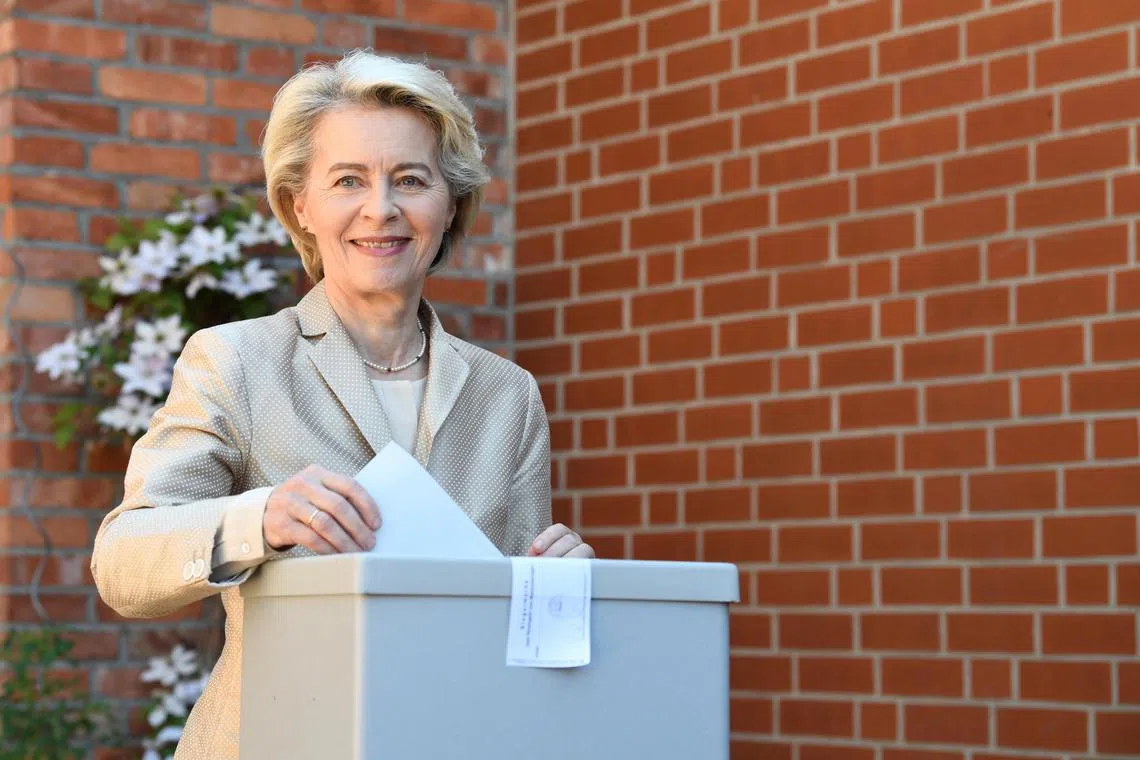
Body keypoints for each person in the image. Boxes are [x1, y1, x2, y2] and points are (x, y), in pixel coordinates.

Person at [91, 50, 594, 760]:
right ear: (303, 205)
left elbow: (518, 636)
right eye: (348, 180)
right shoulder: (236, 361)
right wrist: (259, 518)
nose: (380, 209)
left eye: (411, 180)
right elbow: (122, 565)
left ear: (448, 204)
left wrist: (557, 591)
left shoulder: (507, 394)